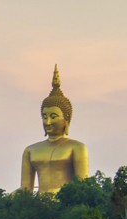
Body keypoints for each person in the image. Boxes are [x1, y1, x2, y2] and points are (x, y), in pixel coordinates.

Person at [21, 65, 89, 194]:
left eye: (53, 117)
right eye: (44, 117)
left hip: (66, 202)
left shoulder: (77, 147)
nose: (48, 122)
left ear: (66, 118)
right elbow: (25, 191)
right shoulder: (30, 150)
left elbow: (84, 189)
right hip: (39, 203)